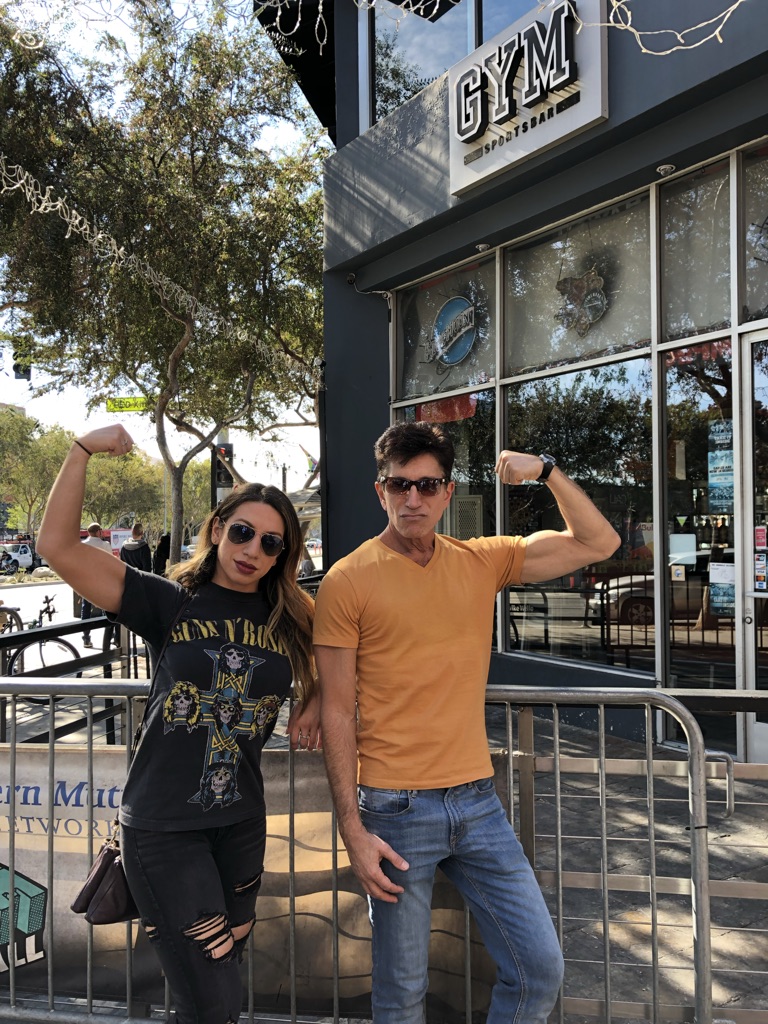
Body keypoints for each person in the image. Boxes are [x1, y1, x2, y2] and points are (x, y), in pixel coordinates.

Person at [313, 421, 620, 1024]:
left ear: (448, 492)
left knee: (539, 969)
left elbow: (599, 542)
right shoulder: (347, 579)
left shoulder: (482, 560)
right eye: (399, 485)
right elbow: (336, 709)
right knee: (401, 992)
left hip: (478, 803)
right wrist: (351, 827)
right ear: (380, 491)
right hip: (394, 809)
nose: (413, 499)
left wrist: (547, 471)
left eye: (427, 485)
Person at [37, 425, 321, 1024]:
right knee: (214, 998)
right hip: (165, 829)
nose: (252, 549)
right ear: (217, 529)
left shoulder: (292, 618)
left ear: (282, 555)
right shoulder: (169, 602)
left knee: (217, 977)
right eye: (241, 531)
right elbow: (57, 546)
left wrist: (315, 696)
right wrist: (81, 450)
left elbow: (348, 659)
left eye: (270, 543)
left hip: (241, 824)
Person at [79, 522, 115, 648]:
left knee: (86, 609)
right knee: (108, 608)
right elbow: (111, 562)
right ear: (98, 531)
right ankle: (109, 636)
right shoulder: (105, 545)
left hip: (87, 580)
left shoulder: (82, 545)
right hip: (102, 580)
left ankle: (86, 637)